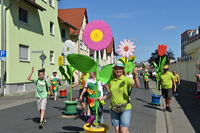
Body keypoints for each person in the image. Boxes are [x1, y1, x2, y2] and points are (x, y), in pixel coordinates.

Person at [97, 61, 140, 133]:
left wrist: (135, 77)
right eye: (116, 69)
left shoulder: (126, 79)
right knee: (117, 130)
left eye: (120, 68)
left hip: (125, 107)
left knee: (123, 131)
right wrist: (100, 98)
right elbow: (110, 94)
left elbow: (137, 85)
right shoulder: (111, 81)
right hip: (113, 108)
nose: (118, 70)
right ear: (114, 70)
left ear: (123, 70)